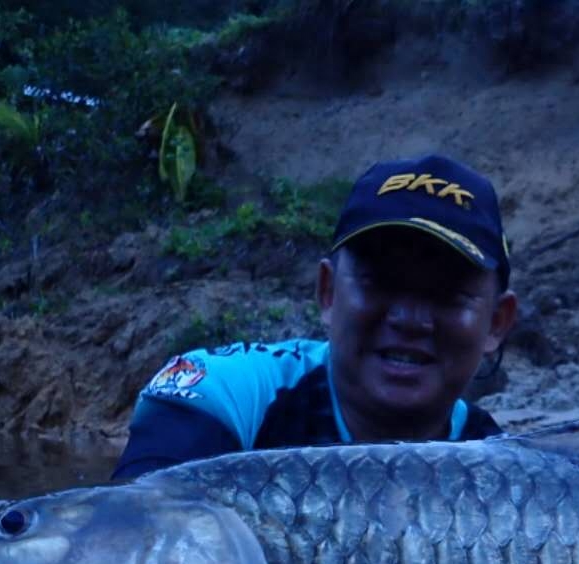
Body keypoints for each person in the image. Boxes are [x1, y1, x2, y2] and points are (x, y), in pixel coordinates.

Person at [113, 153, 519, 480]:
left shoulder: (508, 472)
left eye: (446, 294)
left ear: (497, 323)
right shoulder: (228, 393)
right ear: (327, 291)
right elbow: (129, 539)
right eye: (381, 283)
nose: (410, 318)